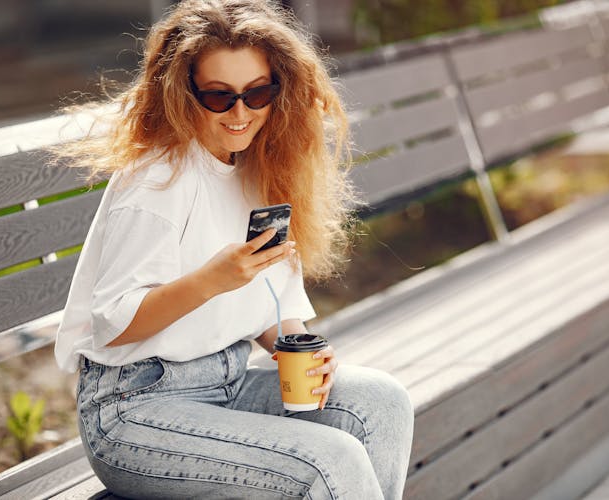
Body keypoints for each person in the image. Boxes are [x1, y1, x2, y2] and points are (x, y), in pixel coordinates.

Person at [53, 1, 414, 498]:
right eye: (219, 97)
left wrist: (303, 349)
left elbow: (274, 308)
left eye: (258, 93)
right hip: (135, 411)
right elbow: (113, 324)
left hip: (228, 385)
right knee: (327, 460)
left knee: (382, 401)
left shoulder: (261, 171)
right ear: (182, 94)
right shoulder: (156, 183)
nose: (241, 113)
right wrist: (209, 282)